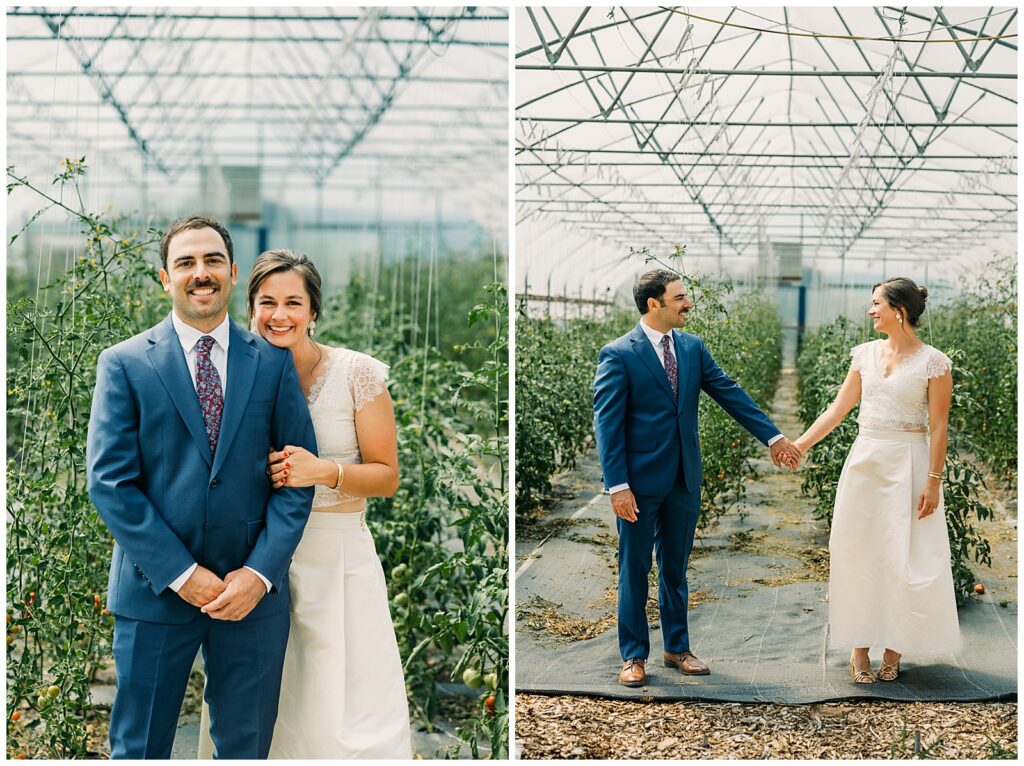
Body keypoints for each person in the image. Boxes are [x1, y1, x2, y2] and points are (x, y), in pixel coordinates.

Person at [86, 217, 317, 758]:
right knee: (139, 746)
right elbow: (110, 482)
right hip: (155, 591)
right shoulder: (123, 364)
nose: (201, 273)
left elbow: (295, 478)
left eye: (213, 260)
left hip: (250, 598)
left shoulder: (272, 364)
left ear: (233, 273)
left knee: (245, 748)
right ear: (164, 277)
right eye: (186, 263)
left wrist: (260, 574)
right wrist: (182, 575)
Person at [197, 249, 412, 759]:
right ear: (248, 307)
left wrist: (324, 471)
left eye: (294, 302)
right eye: (266, 302)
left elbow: (387, 478)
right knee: (256, 702)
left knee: (340, 704)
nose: (279, 315)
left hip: (336, 561)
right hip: (256, 558)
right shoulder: (229, 374)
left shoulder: (357, 375)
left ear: (314, 311)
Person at [593, 269, 802, 687]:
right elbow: (607, 425)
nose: (688, 303)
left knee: (676, 567)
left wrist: (774, 438)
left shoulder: (691, 348)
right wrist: (617, 485)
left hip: (684, 478)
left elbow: (729, 392)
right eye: (680, 298)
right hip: (636, 484)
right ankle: (634, 655)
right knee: (633, 568)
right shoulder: (619, 354)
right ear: (654, 304)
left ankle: (677, 648)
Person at [793, 277, 960, 683]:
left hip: (911, 463)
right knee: (858, 551)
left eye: (876, 304)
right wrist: (797, 446)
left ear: (898, 310)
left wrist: (934, 480)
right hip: (866, 461)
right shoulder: (864, 355)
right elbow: (837, 410)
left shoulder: (933, 362)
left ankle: (894, 649)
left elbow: (939, 427)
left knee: (905, 555)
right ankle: (859, 649)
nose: (870, 311)